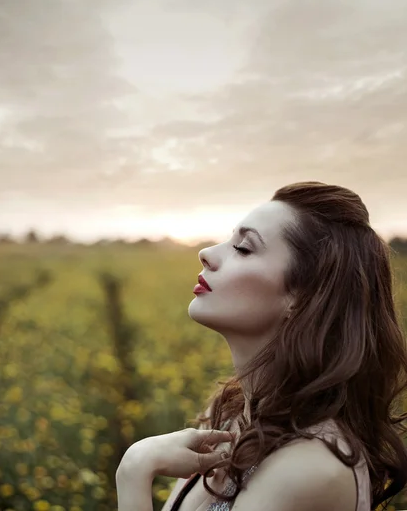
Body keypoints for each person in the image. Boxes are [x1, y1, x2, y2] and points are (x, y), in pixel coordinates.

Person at [116, 181, 407, 511]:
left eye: (243, 248)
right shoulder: (229, 417)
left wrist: (135, 470)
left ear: (304, 298)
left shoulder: (308, 469)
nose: (207, 253)